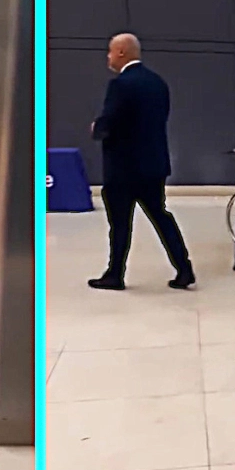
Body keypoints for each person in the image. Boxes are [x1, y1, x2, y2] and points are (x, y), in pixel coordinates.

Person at [87, 33, 195, 291]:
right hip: (153, 164)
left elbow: (111, 120)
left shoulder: (121, 85)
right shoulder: (158, 83)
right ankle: (184, 268)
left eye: (111, 52)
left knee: (121, 225)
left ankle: (115, 274)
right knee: (160, 216)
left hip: (123, 168)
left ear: (122, 52)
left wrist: (97, 128)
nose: (109, 57)